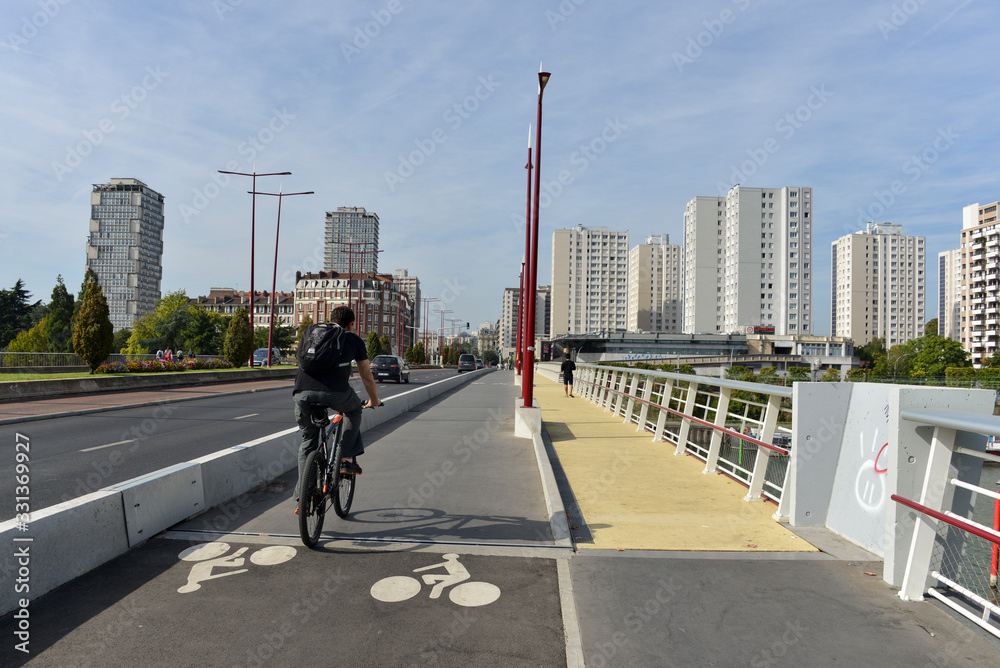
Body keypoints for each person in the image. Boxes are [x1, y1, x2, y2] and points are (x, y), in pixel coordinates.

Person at [292, 306, 381, 511]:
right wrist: (374, 399)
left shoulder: (312, 333)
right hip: (337, 393)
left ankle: (304, 498)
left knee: (308, 442)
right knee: (353, 410)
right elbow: (366, 376)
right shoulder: (352, 339)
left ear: (329, 319)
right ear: (351, 324)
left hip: (302, 393)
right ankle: (347, 459)